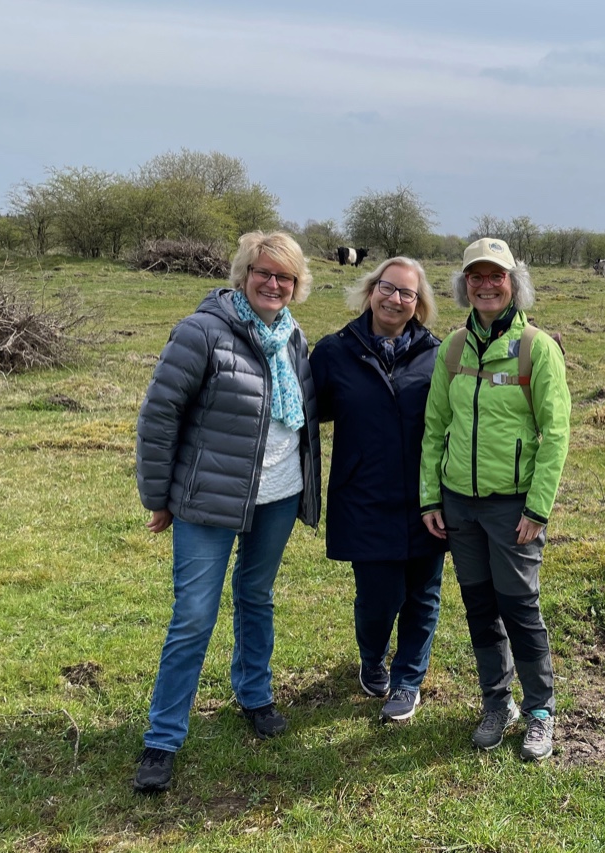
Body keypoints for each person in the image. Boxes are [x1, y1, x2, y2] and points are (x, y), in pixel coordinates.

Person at [132, 231, 321, 793]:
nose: (273, 284)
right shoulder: (202, 332)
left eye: (285, 277)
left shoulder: (294, 339)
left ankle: (255, 695)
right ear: (243, 274)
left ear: (296, 285)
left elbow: (302, 417)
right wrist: (158, 497)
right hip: (209, 498)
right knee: (193, 614)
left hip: (279, 495)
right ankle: (163, 738)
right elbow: (159, 415)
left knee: (256, 596)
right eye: (263, 272)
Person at [420, 237, 571, 761]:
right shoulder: (453, 349)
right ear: (465, 285)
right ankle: (495, 701)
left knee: (519, 608)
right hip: (459, 504)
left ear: (514, 283)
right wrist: (429, 497)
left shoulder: (537, 348)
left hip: (512, 509)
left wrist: (537, 507)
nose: (486, 284)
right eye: (476, 276)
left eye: (496, 276)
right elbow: (435, 426)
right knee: (480, 607)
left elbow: (556, 434)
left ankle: (540, 712)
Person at [310, 257, 447, 723]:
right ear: (371, 290)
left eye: (407, 293)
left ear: (418, 303)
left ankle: (408, 679)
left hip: (426, 499)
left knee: (423, 593)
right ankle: (372, 657)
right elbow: (308, 414)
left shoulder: (439, 354)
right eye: (388, 288)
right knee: (378, 596)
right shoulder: (333, 352)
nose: (395, 299)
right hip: (363, 496)